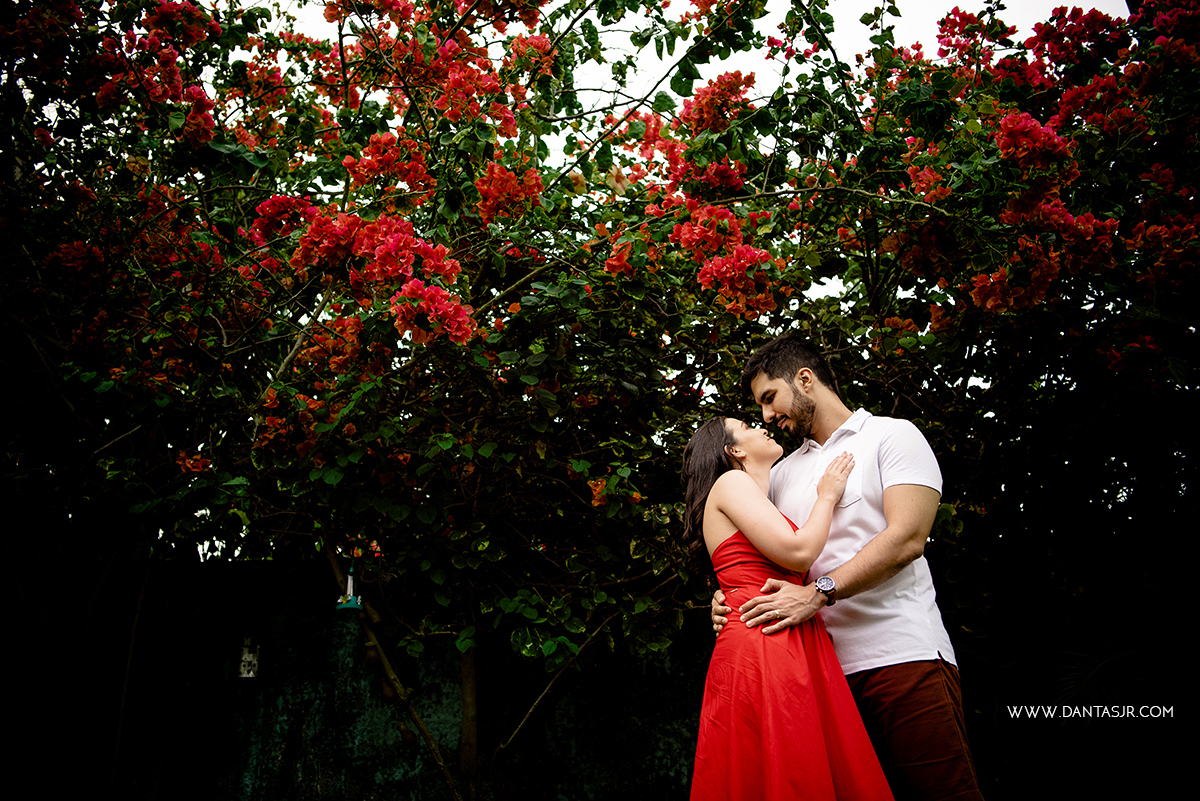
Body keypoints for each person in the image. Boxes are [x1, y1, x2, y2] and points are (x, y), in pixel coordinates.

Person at [712, 335, 983, 801]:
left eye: (770, 398)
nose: (767, 417)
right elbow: (757, 550)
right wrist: (727, 598)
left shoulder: (892, 435)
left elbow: (906, 539)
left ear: (805, 379)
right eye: (760, 407)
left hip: (900, 658)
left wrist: (817, 593)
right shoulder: (778, 474)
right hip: (816, 676)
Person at [683, 416, 893, 801]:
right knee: (792, 764)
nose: (760, 424)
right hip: (764, 640)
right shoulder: (732, 482)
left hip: (783, 631)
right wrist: (828, 494)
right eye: (746, 426)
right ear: (735, 450)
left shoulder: (758, 498)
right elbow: (797, 554)